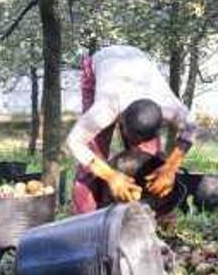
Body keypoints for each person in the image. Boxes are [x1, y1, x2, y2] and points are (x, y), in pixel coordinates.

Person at [66, 45, 197, 215]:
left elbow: (192, 126)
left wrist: (170, 168)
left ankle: (150, 217)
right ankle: (86, 220)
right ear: (121, 121)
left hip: (137, 65)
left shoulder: (169, 106)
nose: (135, 145)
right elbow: (75, 142)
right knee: (93, 156)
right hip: (100, 69)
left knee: (151, 158)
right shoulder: (105, 109)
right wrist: (110, 176)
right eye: (134, 138)